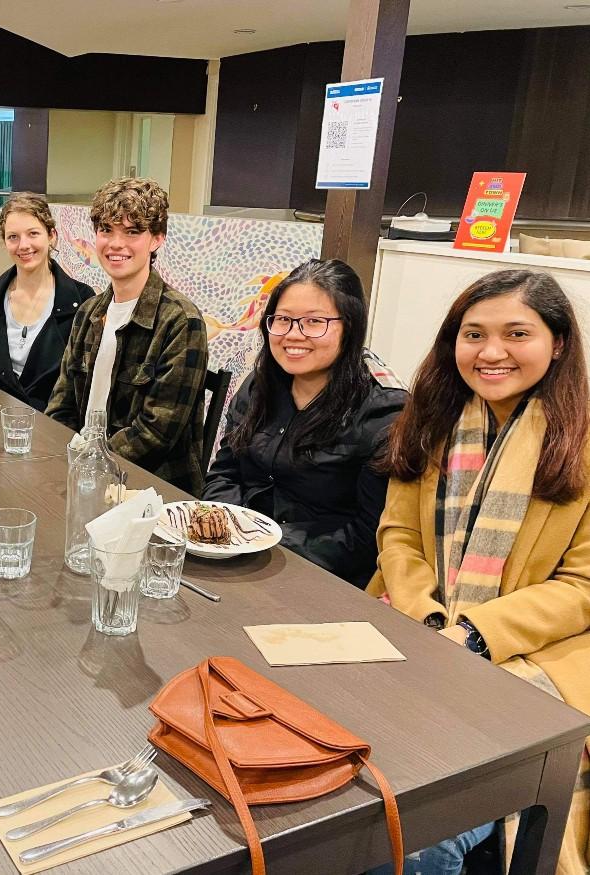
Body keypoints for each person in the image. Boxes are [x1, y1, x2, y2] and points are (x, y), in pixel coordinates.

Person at [370, 269, 590, 875]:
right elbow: (397, 535)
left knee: (414, 841)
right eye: (474, 335)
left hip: (539, 657)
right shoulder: (432, 419)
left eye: (516, 333)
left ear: (559, 342)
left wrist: (473, 634)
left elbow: (583, 586)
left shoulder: (582, 440)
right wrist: (432, 618)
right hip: (418, 625)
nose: (491, 352)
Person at [203, 259, 406, 588]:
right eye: (283, 320)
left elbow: (370, 534)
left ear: (350, 327)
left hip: (321, 581)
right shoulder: (260, 385)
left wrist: (270, 548)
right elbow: (225, 472)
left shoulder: (382, 412)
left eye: (314, 322)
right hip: (238, 558)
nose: (293, 335)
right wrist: (233, 532)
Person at [46, 177, 208, 495]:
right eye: (107, 230)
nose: (116, 243)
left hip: (149, 490)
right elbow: (60, 404)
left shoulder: (181, 321)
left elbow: (156, 433)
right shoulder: (89, 312)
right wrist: (71, 461)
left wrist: (91, 466)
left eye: (132, 232)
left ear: (157, 239)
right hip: (84, 475)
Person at [0, 193, 95, 410]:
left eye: (33, 233)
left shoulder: (82, 300)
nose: (23, 245)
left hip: (53, 425)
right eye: (13, 237)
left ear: (52, 235)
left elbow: (81, 383)